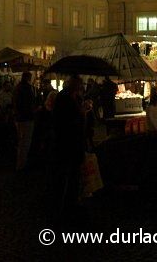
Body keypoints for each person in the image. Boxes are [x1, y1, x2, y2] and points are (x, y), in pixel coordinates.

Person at [52, 75, 87, 221]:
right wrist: (82, 112)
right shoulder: (66, 99)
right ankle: (65, 206)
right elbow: (70, 120)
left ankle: (70, 202)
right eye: (80, 85)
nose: (81, 87)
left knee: (72, 174)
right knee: (68, 174)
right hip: (68, 142)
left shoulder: (70, 97)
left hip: (71, 142)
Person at [13, 71, 37, 171]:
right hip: (27, 118)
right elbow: (29, 103)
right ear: (28, 78)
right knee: (25, 142)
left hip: (19, 118)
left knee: (21, 141)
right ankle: (22, 164)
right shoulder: (27, 88)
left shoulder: (18, 88)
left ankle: (20, 163)